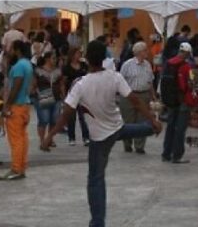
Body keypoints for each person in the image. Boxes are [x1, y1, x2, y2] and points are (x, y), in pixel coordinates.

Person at [41, 40, 162, 227]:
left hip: (100, 138)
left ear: (87, 59)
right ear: (105, 58)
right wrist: (152, 120)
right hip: (116, 128)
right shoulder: (114, 77)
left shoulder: (80, 84)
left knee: (95, 179)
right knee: (127, 131)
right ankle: (150, 127)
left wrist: (50, 136)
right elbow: (135, 101)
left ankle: (97, 222)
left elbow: (66, 115)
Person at [0, 40, 34, 181]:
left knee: (15, 140)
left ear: (17, 50)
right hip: (24, 104)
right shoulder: (28, 64)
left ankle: (16, 168)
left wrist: (7, 104)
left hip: (16, 106)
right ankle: (21, 167)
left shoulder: (19, 66)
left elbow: (16, 86)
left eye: (11, 49)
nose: (10, 51)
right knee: (22, 138)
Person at [119, 41, 156, 154]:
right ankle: (127, 144)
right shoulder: (127, 65)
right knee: (128, 120)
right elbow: (120, 81)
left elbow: (150, 81)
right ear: (139, 52)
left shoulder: (147, 64)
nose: (147, 52)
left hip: (144, 95)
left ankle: (140, 146)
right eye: (145, 50)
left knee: (142, 120)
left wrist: (153, 96)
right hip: (129, 95)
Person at [161, 42, 195, 164]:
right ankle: (177, 155)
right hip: (183, 101)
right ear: (187, 53)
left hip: (171, 100)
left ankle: (166, 153)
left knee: (170, 126)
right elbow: (191, 82)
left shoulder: (168, 63)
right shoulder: (187, 66)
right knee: (180, 129)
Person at [61, 47, 90, 146]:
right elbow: (63, 82)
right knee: (71, 117)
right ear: (72, 55)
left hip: (83, 94)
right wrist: (64, 96)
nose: (79, 55)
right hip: (71, 93)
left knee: (83, 117)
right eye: (77, 53)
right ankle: (71, 137)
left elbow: (88, 77)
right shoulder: (67, 67)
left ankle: (86, 137)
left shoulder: (84, 65)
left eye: (80, 53)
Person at [34, 51, 62, 150]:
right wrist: (37, 93)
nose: (55, 60)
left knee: (54, 120)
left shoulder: (58, 70)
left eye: (55, 58)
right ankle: (42, 140)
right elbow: (34, 83)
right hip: (44, 95)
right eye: (53, 58)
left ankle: (50, 138)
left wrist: (63, 95)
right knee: (44, 119)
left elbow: (61, 83)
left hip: (56, 96)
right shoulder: (38, 70)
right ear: (47, 59)